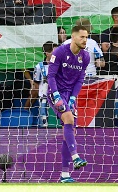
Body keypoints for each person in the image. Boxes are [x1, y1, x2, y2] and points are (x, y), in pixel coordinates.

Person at [47, 24, 89, 183]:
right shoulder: (59, 52)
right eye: (82, 37)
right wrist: (57, 96)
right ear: (73, 37)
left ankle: (65, 175)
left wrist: (72, 98)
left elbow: (80, 80)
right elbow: (51, 76)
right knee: (69, 119)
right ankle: (76, 157)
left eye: (86, 37)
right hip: (56, 92)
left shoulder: (85, 57)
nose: (85, 40)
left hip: (70, 95)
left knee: (70, 132)